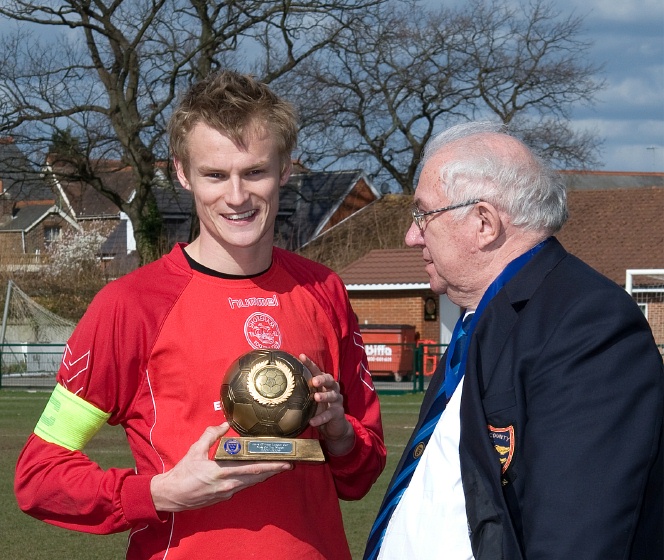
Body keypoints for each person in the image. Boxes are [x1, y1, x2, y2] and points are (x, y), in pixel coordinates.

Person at [15, 70, 386, 560]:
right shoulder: (130, 305)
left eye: (255, 172)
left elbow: (360, 475)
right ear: (183, 174)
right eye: (215, 175)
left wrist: (338, 432)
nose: (236, 197)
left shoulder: (324, 290)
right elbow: (39, 475)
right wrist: (160, 493)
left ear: (286, 170)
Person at [364, 121, 663, 560]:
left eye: (423, 215)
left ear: (484, 222)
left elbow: (577, 536)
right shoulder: (483, 321)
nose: (412, 236)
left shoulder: (585, 323)